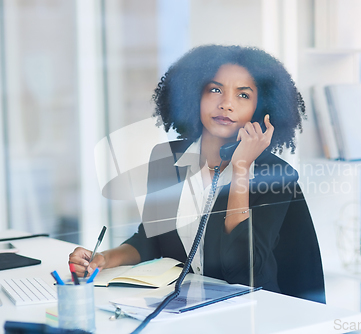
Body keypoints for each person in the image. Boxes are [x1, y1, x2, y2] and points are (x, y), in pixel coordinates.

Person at [69, 45, 325, 303]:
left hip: (255, 311)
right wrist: (104, 259)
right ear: (194, 95)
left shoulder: (275, 175)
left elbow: (243, 271)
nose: (226, 104)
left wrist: (241, 170)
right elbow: (151, 239)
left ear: (263, 109)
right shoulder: (167, 158)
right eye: (215, 90)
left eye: (243, 95)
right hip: (187, 305)